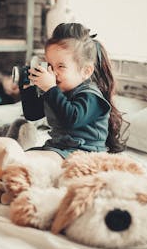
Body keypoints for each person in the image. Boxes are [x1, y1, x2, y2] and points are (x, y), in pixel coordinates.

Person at [19, 22, 125, 165]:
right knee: (20, 156)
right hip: (59, 149)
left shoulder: (91, 96)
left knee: (26, 161)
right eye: (49, 65)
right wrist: (27, 87)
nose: (52, 72)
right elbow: (33, 114)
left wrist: (50, 89)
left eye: (61, 66)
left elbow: (71, 119)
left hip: (86, 155)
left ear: (86, 71)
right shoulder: (58, 90)